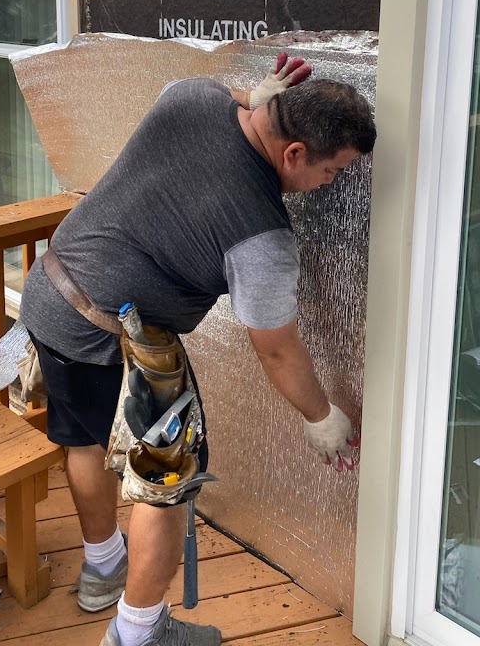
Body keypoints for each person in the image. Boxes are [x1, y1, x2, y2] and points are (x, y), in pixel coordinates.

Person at [20, 54, 376, 646]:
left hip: (50, 294)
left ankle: (103, 565)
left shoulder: (191, 98)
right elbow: (279, 352)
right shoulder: (261, 235)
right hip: (110, 332)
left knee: (81, 438)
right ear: (293, 153)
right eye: (333, 171)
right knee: (166, 483)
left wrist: (254, 95)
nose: (330, 184)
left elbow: (233, 98)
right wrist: (322, 417)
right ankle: (137, 634)